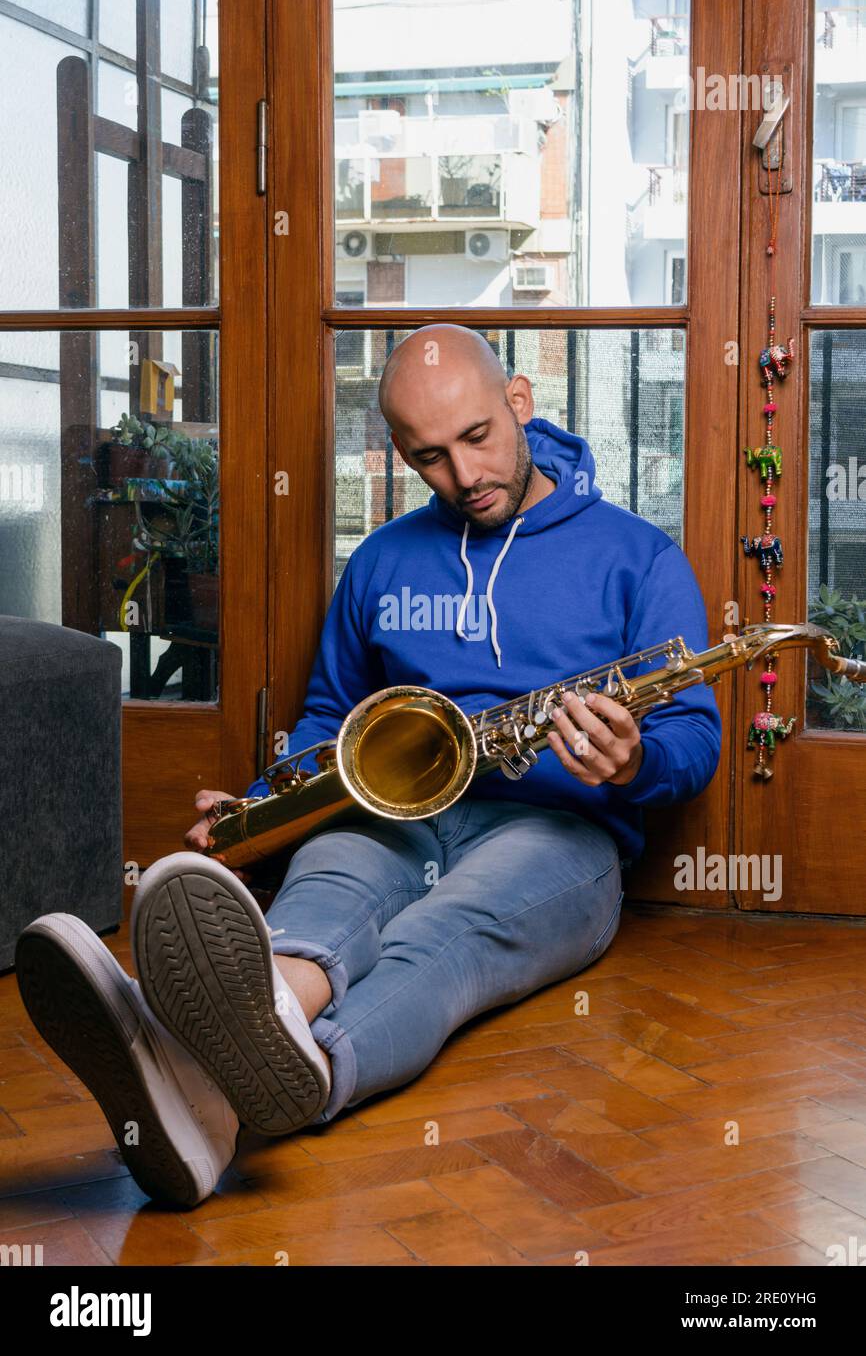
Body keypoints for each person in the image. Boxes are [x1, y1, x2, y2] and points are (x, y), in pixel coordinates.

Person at [15, 325, 721, 1209]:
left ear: (521, 404)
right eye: (430, 457)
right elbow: (329, 721)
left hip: (564, 832)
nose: (465, 478)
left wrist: (632, 761)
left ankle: (166, 1043)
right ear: (401, 452)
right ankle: (226, 1089)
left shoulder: (638, 555)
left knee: (447, 937)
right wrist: (271, 803)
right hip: (395, 810)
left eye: (478, 438)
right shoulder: (384, 558)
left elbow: (695, 739)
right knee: (327, 888)